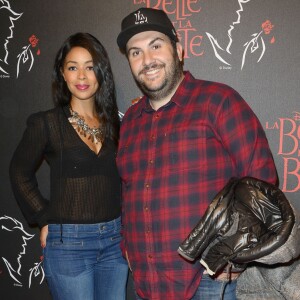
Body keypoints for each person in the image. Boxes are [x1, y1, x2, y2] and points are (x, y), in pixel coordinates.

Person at [116, 7, 278, 300]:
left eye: (156, 45)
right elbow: (127, 190)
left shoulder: (218, 101)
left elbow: (262, 181)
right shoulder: (129, 121)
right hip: (147, 283)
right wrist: (127, 247)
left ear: (178, 50)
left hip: (208, 282)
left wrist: (236, 254)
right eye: (135, 52)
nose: (147, 60)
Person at [9, 32, 128, 300]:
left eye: (89, 67)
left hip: (114, 242)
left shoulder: (115, 125)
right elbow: (19, 172)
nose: (82, 76)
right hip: (69, 245)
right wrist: (42, 217)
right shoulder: (47, 123)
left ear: (101, 72)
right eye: (73, 68)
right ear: (62, 74)